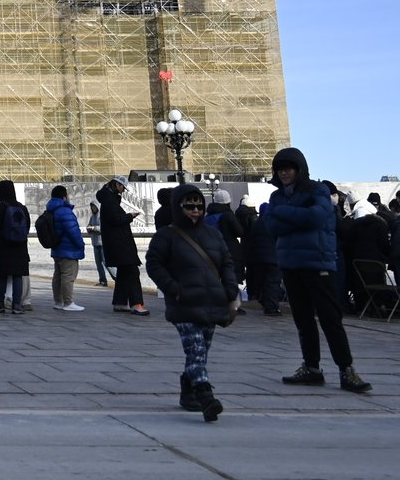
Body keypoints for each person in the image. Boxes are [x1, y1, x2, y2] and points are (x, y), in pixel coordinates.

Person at [261, 147, 372, 392]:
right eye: (280, 170)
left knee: (330, 318)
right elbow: (271, 227)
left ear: (299, 169)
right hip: (291, 264)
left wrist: (283, 214)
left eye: (289, 169)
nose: (284, 173)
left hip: (317, 262)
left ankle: (346, 369)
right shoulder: (277, 196)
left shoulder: (317, 190)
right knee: (302, 319)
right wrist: (298, 217)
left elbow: (317, 217)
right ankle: (311, 367)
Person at [145, 183, 237, 422]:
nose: (195, 211)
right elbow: (154, 263)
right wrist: (174, 289)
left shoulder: (213, 234)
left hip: (212, 301)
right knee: (195, 349)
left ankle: (188, 392)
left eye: (198, 206)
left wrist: (230, 288)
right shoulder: (167, 235)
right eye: (189, 206)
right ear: (179, 208)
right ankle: (206, 398)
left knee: (201, 352)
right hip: (184, 303)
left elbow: (227, 261)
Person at [97, 176, 150, 315]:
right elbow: (116, 220)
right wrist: (130, 216)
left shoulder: (109, 199)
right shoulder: (110, 200)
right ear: (117, 185)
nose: (123, 191)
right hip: (120, 244)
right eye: (123, 188)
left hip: (117, 243)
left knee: (123, 272)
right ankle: (136, 304)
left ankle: (120, 302)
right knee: (132, 272)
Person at [0, 179, 30, 314]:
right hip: (20, 247)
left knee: (2, 276)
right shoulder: (22, 208)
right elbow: (27, 227)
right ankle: (17, 305)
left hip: (3, 247)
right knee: (18, 276)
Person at [237, 195, 282, 315]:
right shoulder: (274, 223)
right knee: (272, 282)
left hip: (258, 259)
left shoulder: (255, 224)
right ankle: (272, 307)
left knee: (262, 282)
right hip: (273, 257)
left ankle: (264, 301)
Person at [45, 184, 86, 311]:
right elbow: (73, 231)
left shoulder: (51, 210)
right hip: (68, 249)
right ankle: (68, 302)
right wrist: (80, 244)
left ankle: (58, 302)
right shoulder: (65, 211)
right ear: (64, 197)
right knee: (68, 276)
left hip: (57, 248)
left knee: (58, 276)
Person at [87, 201, 111, 286]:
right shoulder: (92, 217)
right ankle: (103, 280)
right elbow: (89, 226)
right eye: (92, 207)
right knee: (98, 264)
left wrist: (94, 228)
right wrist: (89, 228)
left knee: (106, 262)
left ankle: (116, 277)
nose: (93, 208)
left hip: (102, 243)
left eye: (94, 207)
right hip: (95, 243)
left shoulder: (102, 216)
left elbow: (104, 228)